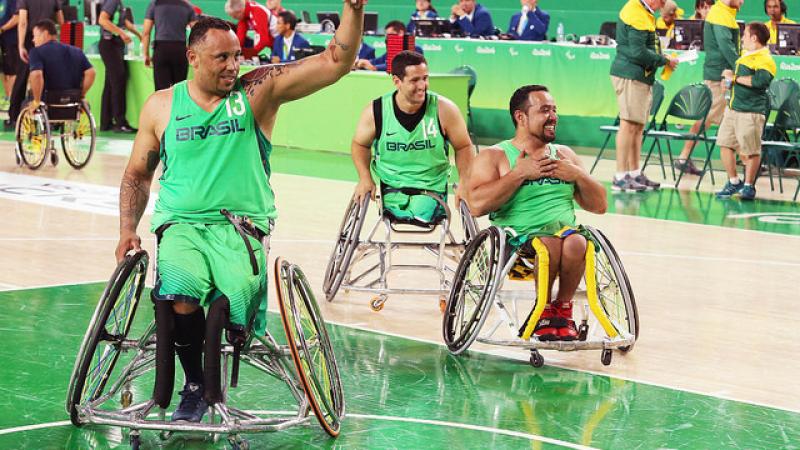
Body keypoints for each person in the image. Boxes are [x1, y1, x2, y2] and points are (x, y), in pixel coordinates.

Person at [114, 1, 365, 422]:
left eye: (237, 55)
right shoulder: (161, 106)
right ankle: (194, 387)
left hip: (241, 231)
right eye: (222, 57)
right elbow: (137, 175)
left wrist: (352, 10)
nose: (234, 65)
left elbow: (335, 61)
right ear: (193, 58)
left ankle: (213, 389)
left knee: (225, 311)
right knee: (178, 296)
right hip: (182, 228)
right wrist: (126, 228)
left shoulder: (255, 92)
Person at [467, 85, 607, 341]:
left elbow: (600, 205)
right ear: (521, 117)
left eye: (554, 110)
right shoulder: (495, 156)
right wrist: (519, 174)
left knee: (577, 241)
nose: (553, 116)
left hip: (565, 240)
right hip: (518, 249)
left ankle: (561, 311)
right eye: (545, 110)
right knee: (550, 243)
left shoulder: (565, 156)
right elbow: (475, 205)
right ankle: (541, 311)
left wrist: (578, 175)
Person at [350, 51, 473, 224]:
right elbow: (359, 145)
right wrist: (364, 178)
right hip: (391, 190)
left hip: (432, 190)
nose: (423, 85)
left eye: (425, 78)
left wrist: (465, 182)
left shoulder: (444, 109)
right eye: (415, 80)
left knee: (421, 213)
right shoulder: (376, 110)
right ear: (397, 81)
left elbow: (464, 147)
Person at [609, 0, 678, 192]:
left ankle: (634, 172)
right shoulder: (635, 12)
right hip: (629, 75)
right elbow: (637, 52)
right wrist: (664, 61)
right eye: (661, 1)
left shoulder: (644, 12)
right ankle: (620, 176)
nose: (662, 4)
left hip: (642, 77)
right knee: (628, 124)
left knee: (638, 126)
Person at [675, 0, 742, 176]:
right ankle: (746, 161)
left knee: (708, 119)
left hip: (720, 74)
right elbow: (726, 47)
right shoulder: (720, 15)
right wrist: (742, 68)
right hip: (719, 76)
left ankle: (684, 157)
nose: (742, 1)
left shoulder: (724, 13)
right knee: (713, 119)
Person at [715, 22, 775, 201]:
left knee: (751, 151)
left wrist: (734, 79)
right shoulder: (744, 57)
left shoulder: (766, 60)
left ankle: (749, 186)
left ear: (754, 38)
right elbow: (737, 79)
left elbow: (758, 82)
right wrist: (728, 79)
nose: (742, 39)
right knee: (725, 144)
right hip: (733, 110)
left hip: (751, 113)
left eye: (745, 35)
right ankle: (734, 181)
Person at [7, 0, 62, 130]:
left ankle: (14, 116)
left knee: (22, 77)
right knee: (47, 77)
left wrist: (21, 45)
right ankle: (50, 117)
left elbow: (23, 22)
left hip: (30, 39)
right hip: (48, 39)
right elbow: (61, 21)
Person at [27, 19, 94, 109]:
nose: (33, 40)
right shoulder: (77, 51)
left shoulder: (36, 52)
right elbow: (91, 72)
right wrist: (81, 95)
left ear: (45, 34)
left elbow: (36, 75)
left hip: (47, 100)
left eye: (35, 36)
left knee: (25, 103)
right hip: (72, 100)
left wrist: (37, 101)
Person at [98, 0, 141, 132]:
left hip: (113, 45)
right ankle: (120, 122)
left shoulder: (118, 4)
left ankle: (106, 122)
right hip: (110, 44)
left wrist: (139, 34)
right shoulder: (113, 1)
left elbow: (124, 23)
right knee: (118, 81)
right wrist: (121, 33)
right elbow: (103, 20)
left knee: (111, 83)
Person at [142, 0, 197, 91]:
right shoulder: (187, 6)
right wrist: (190, 48)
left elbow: (146, 32)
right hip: (180, 51)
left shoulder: (155, 4)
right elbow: (196, 32)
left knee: (161, 91)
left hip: (161, 50)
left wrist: (146, 54)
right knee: (180, 90)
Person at [355, 21, 423, 72]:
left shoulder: (414, 48)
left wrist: (375, 68)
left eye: (390, 34)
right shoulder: (393, 48)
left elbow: (400, 65)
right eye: (386, 35)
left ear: (401, 33)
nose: (387, 38)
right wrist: (362, 62)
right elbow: (380, 60)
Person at [0, 0, 19, 112]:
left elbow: (17, 18)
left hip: (11, 40)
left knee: (12, 71)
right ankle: (7, 96)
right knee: (3, 71)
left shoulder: (13, 1)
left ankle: (12, 100)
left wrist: (2, 29)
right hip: (2, 40)